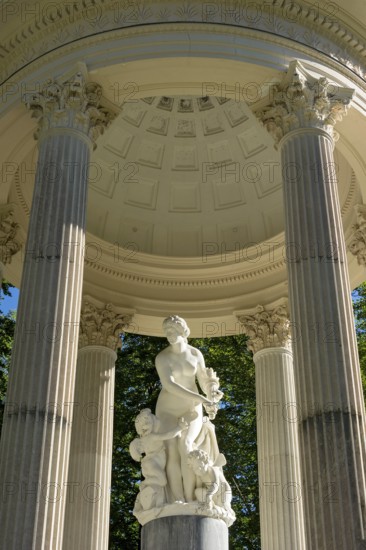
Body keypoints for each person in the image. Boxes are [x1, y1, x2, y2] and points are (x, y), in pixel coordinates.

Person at [155, 315, 222, 503]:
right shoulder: (163, 357)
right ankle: (177, 499)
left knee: (186, 445)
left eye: (172, 331)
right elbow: (169, 385)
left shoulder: (195, 354)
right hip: (168, 409)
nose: (168, 335)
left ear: (182, 332)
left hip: (191, 408)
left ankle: (191, 498)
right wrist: (201, 398)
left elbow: (203, 378)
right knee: (172, 451)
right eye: (166, 331)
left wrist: (212, 394)